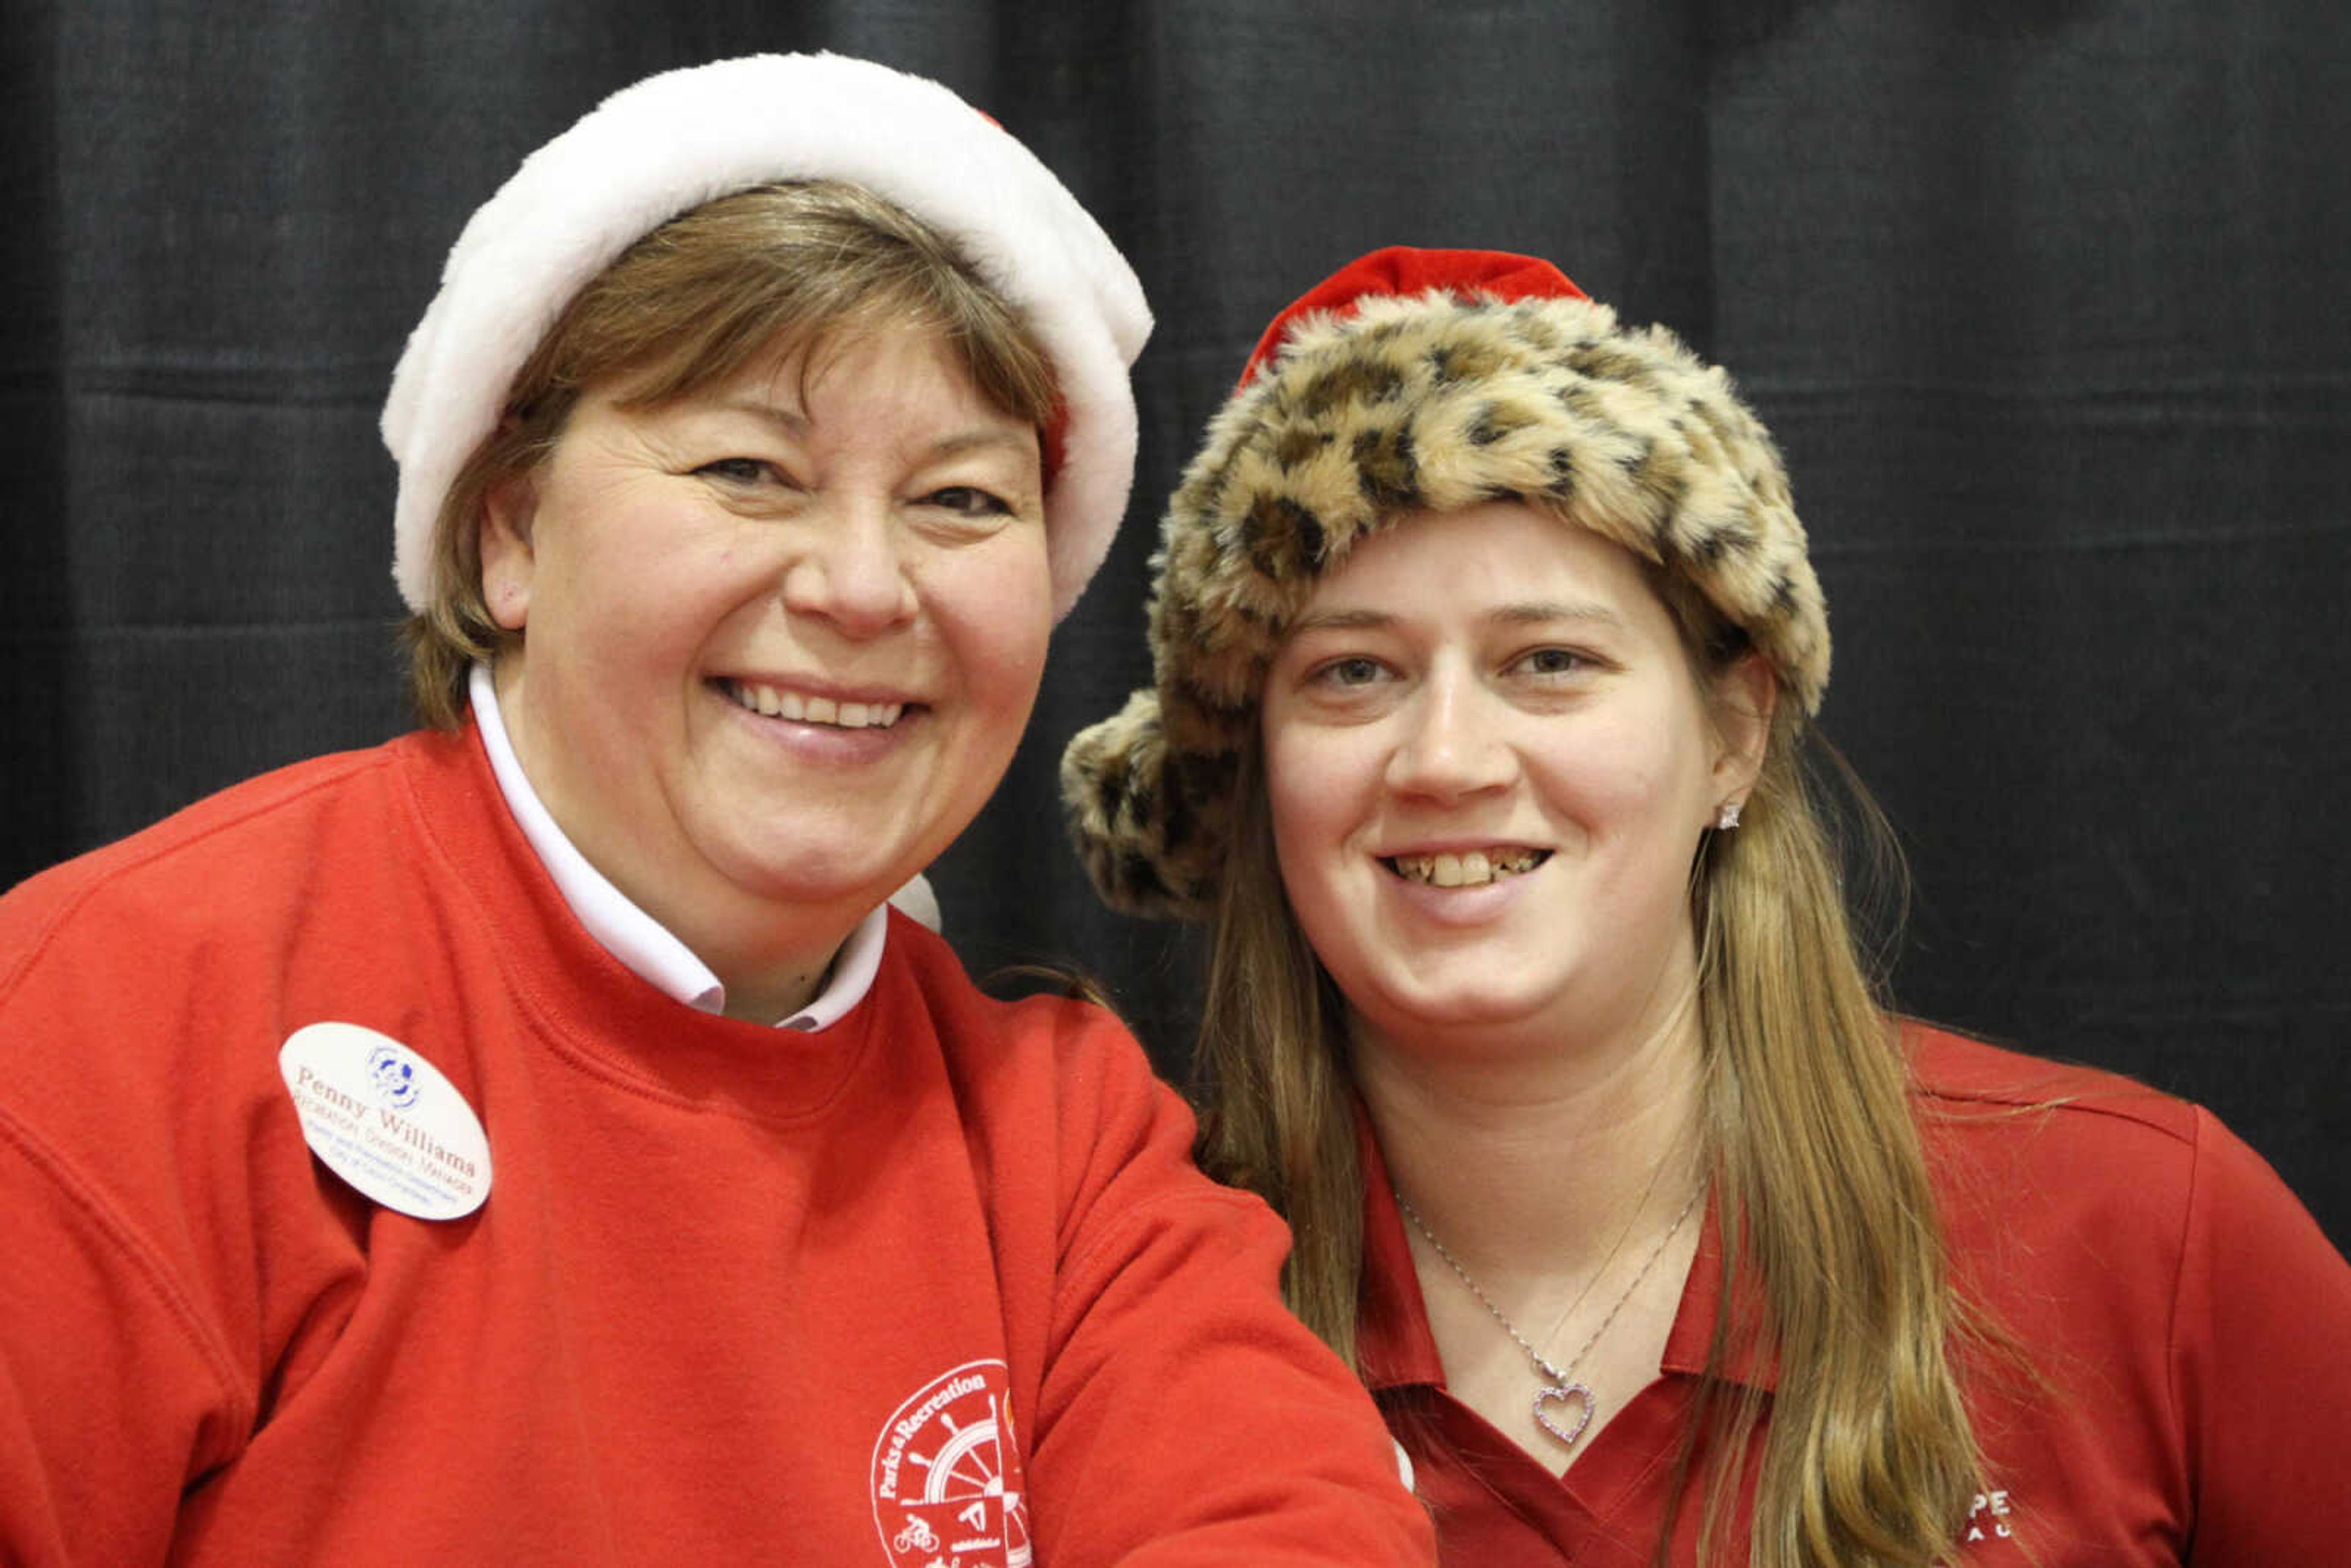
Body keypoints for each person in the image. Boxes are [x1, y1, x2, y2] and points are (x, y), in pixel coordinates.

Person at [0, 59, 1436, 1567]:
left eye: (960, 500)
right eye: (751, 471)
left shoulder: (1063, 1144)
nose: (867, 588)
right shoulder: (107, 1026)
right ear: (510, 537)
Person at [1062, 245, 2351, 1566]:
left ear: (1732, 736)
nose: (1444, 757)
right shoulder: (1123, 1316)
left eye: (1548, 660)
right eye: (1351, 673)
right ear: (1258, 765)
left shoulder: (2141, 1233)